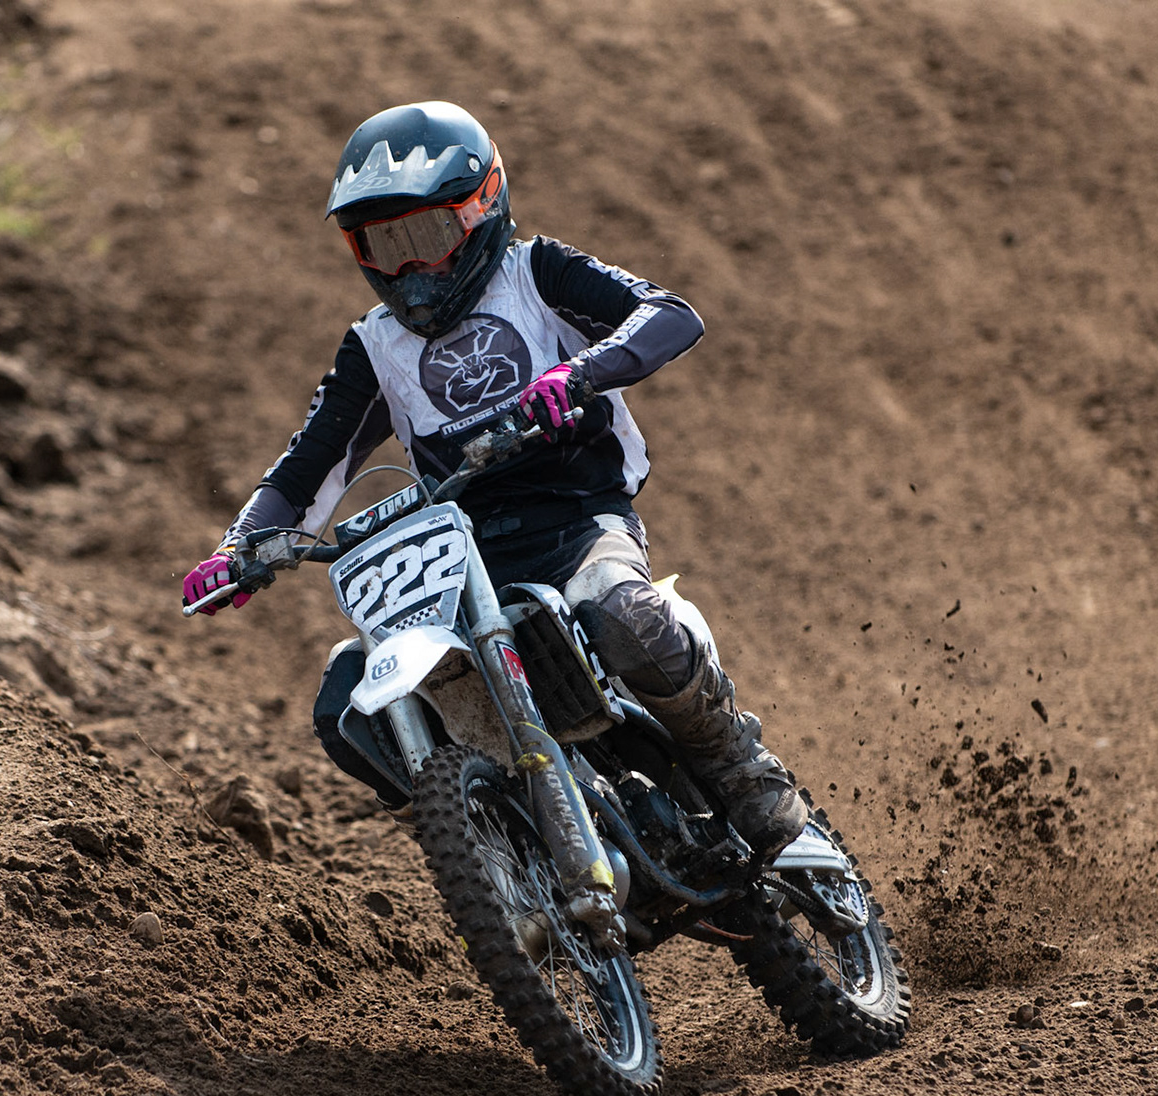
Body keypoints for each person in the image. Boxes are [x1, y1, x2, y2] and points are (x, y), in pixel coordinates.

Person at [182, 101, 808, 860]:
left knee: (621, 611)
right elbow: (306, 468)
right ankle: (490, 852)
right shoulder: (374, 347)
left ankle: (738, 765)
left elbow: (668, 314)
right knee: (344, 705)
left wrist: (579, 374)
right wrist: (240, 548)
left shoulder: (535, 273)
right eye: (384, 245)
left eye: (426, 237)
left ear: (482, 209)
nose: (409, 269)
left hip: (578, 521)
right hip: (457, 558)